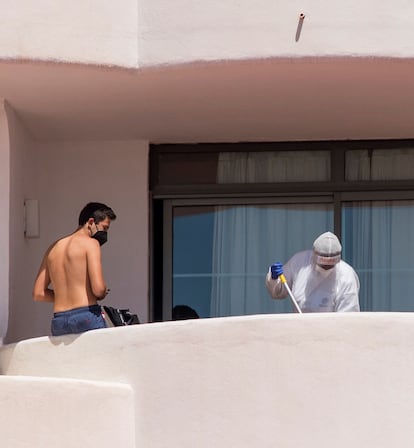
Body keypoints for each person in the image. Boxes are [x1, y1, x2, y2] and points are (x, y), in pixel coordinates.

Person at [33, 202, 117, 336]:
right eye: (105, 228)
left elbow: (38, 293)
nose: (105, 233)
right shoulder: (91, 244)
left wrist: (64, 295)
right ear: (91, 222)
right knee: (98, 357)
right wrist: (101, 293)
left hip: (60, 319)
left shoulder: (54, 248)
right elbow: (98, 289)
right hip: (86, 315)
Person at [265, 231, 360, 312]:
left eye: (329, 266)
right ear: (313, 255)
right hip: (299, 326)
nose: (325, 269)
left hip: (330, 329)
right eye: (323, 265)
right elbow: (277, 293)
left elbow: (348, 315)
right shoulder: (299, 263)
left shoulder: (347, 276)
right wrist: (274, 279)